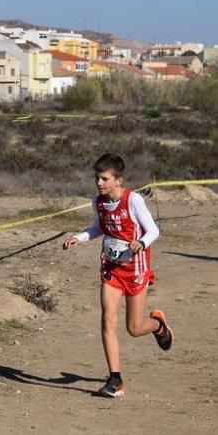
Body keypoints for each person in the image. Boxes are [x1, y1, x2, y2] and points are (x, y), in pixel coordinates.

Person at [63, 153, 174, 398]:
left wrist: (141, 243)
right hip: (111, 270)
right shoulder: (99, 202)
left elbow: (153, 230)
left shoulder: (132, 201)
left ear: (118, 180)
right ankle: (115, 380)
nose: (99, 183)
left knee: (134, 328)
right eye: (97, 178)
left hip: (135, 270)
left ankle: (159, 326)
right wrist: (79, 238)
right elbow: (98, 228)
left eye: (104, 179)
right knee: (107, 320)